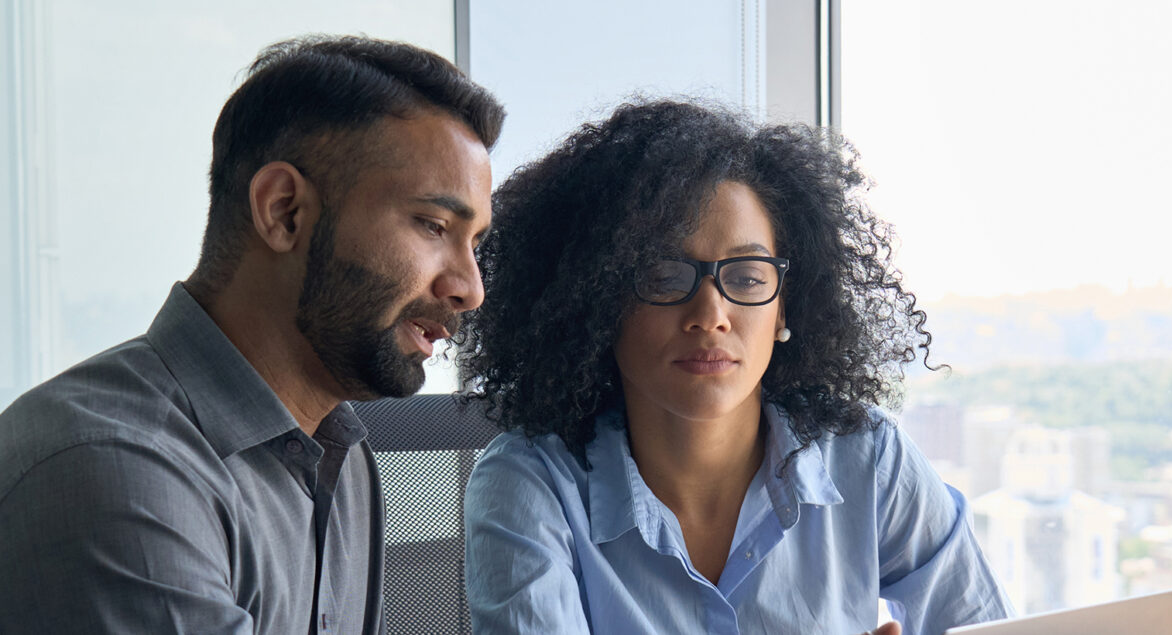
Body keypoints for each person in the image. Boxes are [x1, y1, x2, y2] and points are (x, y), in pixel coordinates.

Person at [0, 35, 503, 633]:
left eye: (474, 244)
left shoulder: (344, 458)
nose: (469, 288)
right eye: (432, 225)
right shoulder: (114, 467)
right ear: (284, 211)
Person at [459, 100, 1011, 635]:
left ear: (784, 307)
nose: (710, 315)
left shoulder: (867, 456)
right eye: (664, 275)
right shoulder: (528, 483)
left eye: (747, 277)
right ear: (598, 301)